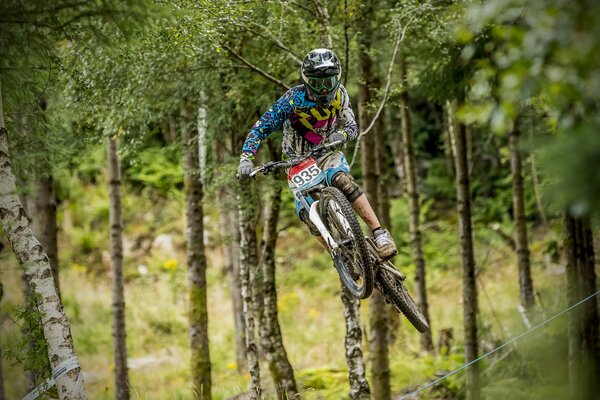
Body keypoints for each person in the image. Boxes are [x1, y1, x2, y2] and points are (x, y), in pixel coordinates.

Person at [237, 48, 397, 259]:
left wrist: (341, 136)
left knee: (343, 181)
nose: (324, 89)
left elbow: (352, 126)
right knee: (307, 214)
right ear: (307, 80)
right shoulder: (292, 100)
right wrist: (246, 158)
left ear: (336, 78)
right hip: (296, 161)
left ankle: (379, 233)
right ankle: (338, 259)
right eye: (318, 82)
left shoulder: (340, 95)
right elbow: (260, 128)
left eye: (328, 82)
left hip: (326, 152)